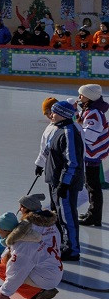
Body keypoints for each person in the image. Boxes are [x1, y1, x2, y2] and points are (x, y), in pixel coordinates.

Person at [0, 199, 62, 299]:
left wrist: (4, 294)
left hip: (47, 277)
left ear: (6, 230)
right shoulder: (45, 225)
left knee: (0, 269)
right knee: (4, 262)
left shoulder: (24, 244)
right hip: (53, 269)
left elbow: (16, 271)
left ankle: (36, 293)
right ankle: (39, 287)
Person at [45, 99, 84, 261]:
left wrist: (64, 183)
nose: (51, 115)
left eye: (54, 112)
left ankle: (72, 249)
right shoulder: (59, 129)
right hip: (57, 182)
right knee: (61, 216)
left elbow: (73, 162)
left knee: (67, 217)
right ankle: (65, 244)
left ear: (62, 114)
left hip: (65, 184)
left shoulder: (68, 133)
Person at [76, 83, 107, 227]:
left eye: (82, 95)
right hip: (91, 154)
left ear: (89, 97)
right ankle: (92, 213)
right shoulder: (90, 110)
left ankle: (94, 216)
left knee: (92, 186)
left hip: (92, 155)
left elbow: (88, 138)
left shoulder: (94, 113)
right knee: (91, 185)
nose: (79, 97)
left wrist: (76, 128)